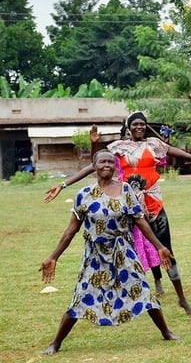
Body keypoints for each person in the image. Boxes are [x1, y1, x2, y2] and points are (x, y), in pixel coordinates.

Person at [44, 112, 191, 316]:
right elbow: (95, 165)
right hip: (127, 207)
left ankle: (182, 298)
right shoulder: (118, 147)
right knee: (125, 254)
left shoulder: (155, 144)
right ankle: (122, 299)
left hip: (154, 205)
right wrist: (63, 184)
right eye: (135, 124)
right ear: (129, 127)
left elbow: (186, 156)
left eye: (142, 124)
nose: (139, 127)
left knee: (167, 251)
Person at [40, 150, 180, 355]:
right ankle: (56, 343)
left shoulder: (126, 190)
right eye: (102, 161)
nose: (106, 165)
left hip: (124, 252)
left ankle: (166, 332)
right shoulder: (84, 194)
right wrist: (53, 256)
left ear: (115, 166)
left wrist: (160, 247)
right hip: (95, 256)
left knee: (142, 290)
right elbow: (71, 229)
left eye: (110, 162)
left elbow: (140, 221)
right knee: (81, 297)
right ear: (94, 166)